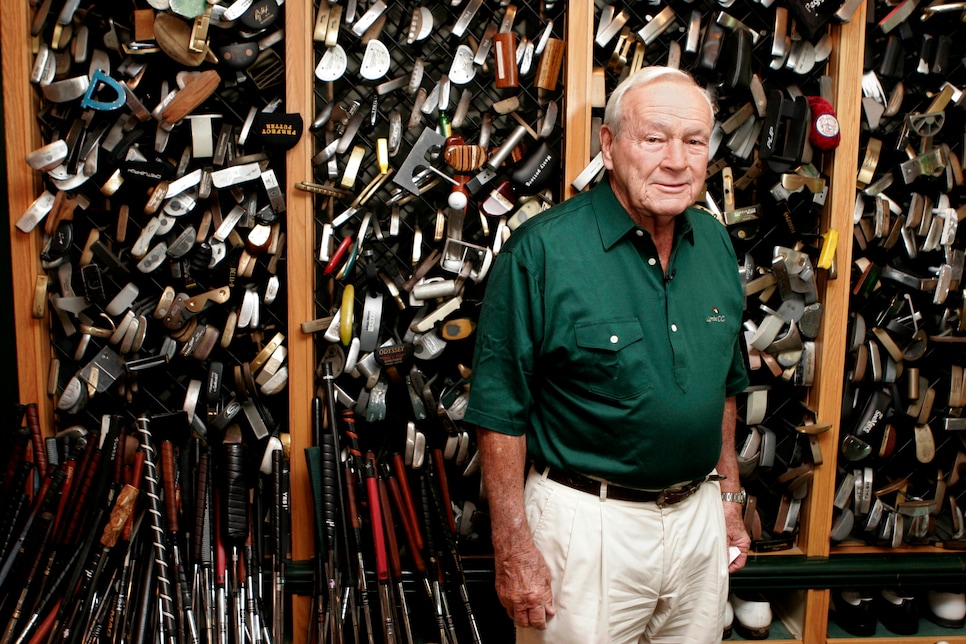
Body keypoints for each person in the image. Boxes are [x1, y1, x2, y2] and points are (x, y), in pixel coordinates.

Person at [463, 66, 751, 643]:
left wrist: (728, 495)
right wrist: (513, 546)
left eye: (694, 141)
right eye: (654, 138)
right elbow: (500, 413)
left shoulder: (716, 243)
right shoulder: (541, 251)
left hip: (697, 520)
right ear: (609, 144)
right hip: (585, 526)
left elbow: (722, 384)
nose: (676, 160)